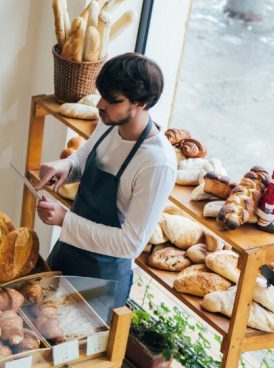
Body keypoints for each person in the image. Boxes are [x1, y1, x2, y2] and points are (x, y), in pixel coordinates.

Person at [35, 53, 177, 308]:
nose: (100, 104)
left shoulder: (157, 164)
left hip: (102, 281)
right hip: (67, 253)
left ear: (141, 103)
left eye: (112, 100)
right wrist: (66, 165)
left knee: (73, 347)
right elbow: (85, 157)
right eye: (102, 95)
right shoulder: (110, 121)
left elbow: (129, 244)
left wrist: (65, 219)